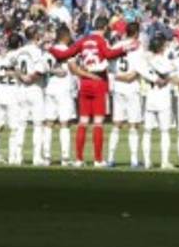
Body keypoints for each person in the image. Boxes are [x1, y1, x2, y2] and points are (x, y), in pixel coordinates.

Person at [49, 19, 134, 167]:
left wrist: (50, 48)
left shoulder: (83, 40)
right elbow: (108, 54)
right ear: (106, 28)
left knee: (82, 122)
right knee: (98, 123)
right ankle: (98, 159)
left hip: (84, 84)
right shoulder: (102, 41)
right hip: (98, 82)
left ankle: (79, 159)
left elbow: (65, 54)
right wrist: (125, 49)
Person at [108, 22, 146, 168]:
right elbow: (136, 72)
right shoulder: (138, 47)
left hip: (118, 87)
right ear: (136, 32)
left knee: (117, 124)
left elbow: (111, 68)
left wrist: (118, 77)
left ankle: (110, 158)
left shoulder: (117, 45)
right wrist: (127, 77)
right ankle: (134, 160)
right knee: (134, 125)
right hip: (132, 87)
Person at [16, 30, 51, 166]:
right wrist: (30, 78)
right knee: (38, 124)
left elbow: (15, 67)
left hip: (21, 89)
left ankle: (18, 156)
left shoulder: (20, 51)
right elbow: (40, 70)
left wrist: (22, 77)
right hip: (35, 89)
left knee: (21, 124)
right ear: (36, 36)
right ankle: (37, 157)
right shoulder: (37, 51)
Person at [140, 36, 176, 169]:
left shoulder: (146, 61)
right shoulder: (162, 60)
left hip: (150, 97)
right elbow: (167, 71)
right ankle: (164, 161)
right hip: (162, 98)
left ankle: (147, 161)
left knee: (147, 131)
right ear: (161, 47)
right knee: (164, 131)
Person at [42, 31, 77, 165]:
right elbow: (72, 69)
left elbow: (44, 68)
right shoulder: (68, 51)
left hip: (50, 88)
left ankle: (46, 157)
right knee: (64, 123)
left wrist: (52, 71)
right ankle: (65, 157)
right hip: (64, 89)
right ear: (66, 37)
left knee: (49, 122)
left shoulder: (48, 52)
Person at [0, 36, 27, 165]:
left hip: (0, 93)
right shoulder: (19, 56)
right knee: (14, 127)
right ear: (19, 44)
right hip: (14, 94)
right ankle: (13, 157)